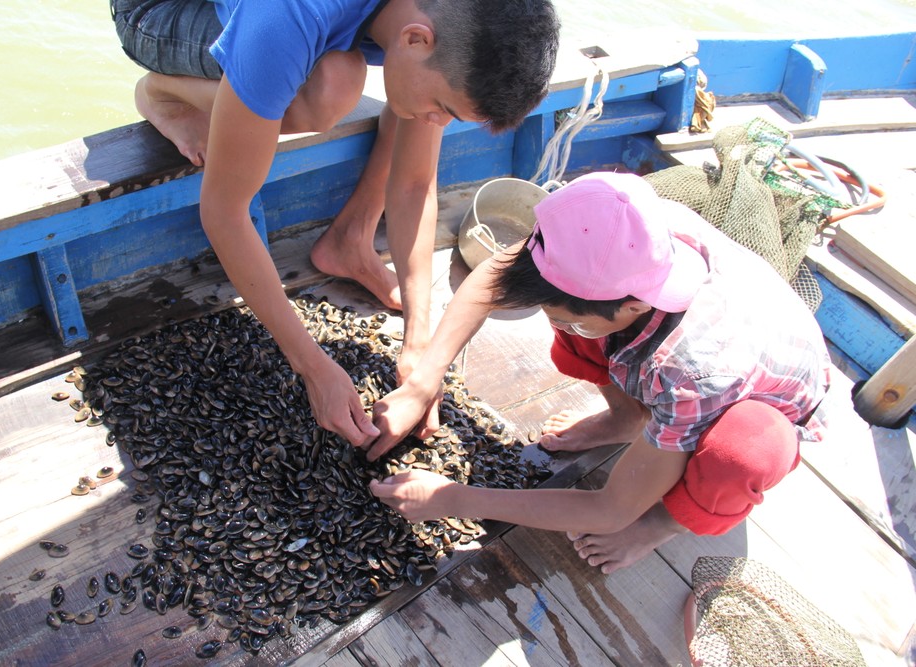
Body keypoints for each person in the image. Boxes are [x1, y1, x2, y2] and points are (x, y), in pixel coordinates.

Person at [109, 0, 561, 446]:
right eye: (443, 107)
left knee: (403, 104)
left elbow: (414, 184)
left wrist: (419, 340)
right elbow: (224, 213)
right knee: (334, 84)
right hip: (155, 12)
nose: (438, 123)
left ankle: (350, 239)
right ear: (415, 37)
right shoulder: (289, 14)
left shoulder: (443, 24)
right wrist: (313, 365)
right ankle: (162, 92)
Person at [363, 171, 831, 574]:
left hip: (765, 400)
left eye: (569, 319)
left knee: (745, 451)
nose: (560, 326)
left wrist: (454, 499)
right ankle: (624, 419)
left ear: (634, 304)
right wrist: (424, 382)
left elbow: (608, 510)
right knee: (572, 316)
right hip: (707, 340)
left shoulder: (692, 375)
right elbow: (496, 275)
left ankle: (661, 524)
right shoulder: (614, 229)